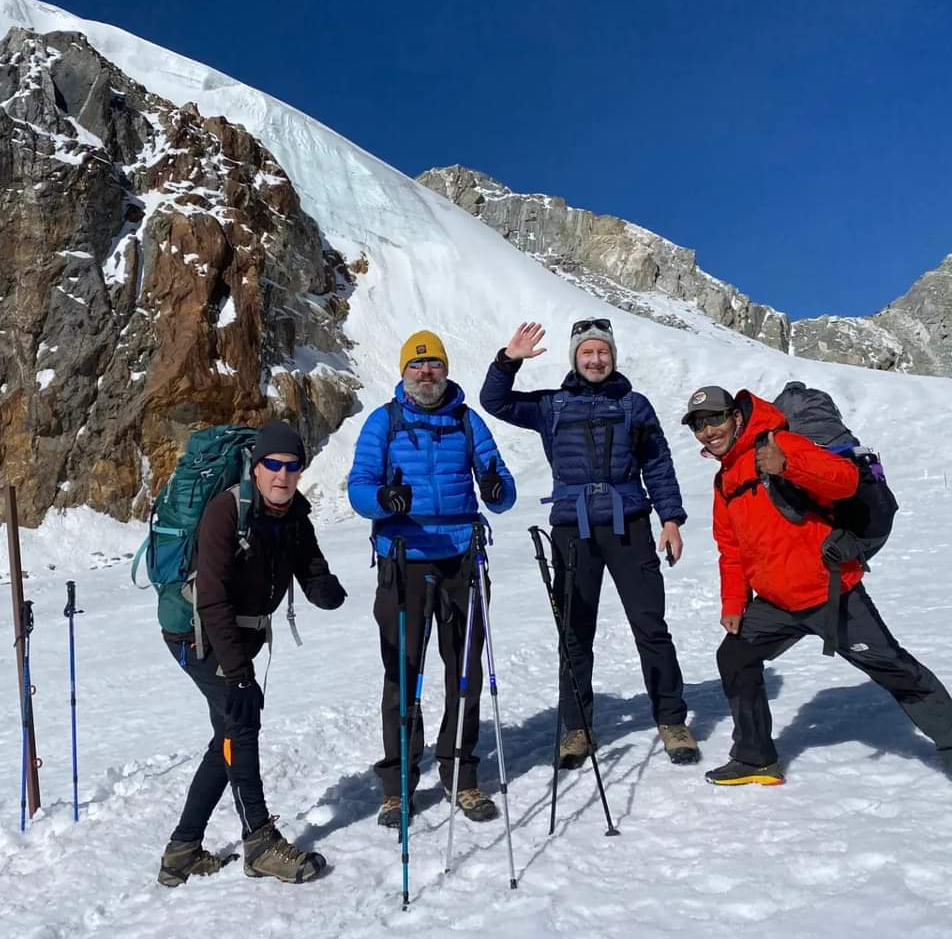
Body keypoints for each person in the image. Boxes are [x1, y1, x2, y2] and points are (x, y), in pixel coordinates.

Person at [682, 385, 952, 784]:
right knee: (735, 657)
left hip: (830, 594)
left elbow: (844, 481)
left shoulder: (781, 442)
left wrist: (786, 465)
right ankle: (756, 758)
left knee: (896, 669)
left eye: (715, 418)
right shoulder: (725, 481)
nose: (708, 431)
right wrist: (734, 603)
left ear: (736, 417)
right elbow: (732, 550)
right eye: (699, 425)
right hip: (775, 604)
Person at [480, 319, 698, 767]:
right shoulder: (551, 406)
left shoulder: (635, 406)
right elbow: (494, 401)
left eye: (602, 352)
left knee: (650, 627)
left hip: (629, 526)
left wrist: (671, 519)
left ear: (612, 357)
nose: (596, 359)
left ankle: (672, 720)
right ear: (575, 359)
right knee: (575, 633)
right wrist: (509, 360)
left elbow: (657, 463)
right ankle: (577, 729)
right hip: (572, 531)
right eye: (587, 353)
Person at [158, 421, 347, 885]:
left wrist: (322, 585)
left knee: (228, 734)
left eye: (292, 466)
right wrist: (240, 676)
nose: (282, 475)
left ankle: (182, 850)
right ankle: (259, 841)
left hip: (235, 637)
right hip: (197, 635)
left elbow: (309, 560)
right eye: (273, 465)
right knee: (241, 725)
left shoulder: (293, 514)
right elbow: (213, 599)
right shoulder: (226, 512)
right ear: (257, 467)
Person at [348, 329, 517, 827]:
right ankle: (398, 785)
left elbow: (503, 492)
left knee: (463, 674)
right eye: (417, 366)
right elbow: (359, 485)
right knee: (403, 675)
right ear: (404, 373)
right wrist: (385, 501)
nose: (426, 374)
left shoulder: (467, 422)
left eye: (434, 365)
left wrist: (493, 486)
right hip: (404, 558)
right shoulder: (384, 422)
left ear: (445, 369)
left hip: (462, 559)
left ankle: (461, 774)